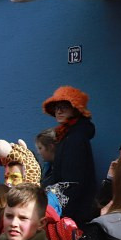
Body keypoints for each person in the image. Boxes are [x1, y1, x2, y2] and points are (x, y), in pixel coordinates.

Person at [42, 86, 98, 224]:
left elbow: (72, 183)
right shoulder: (67, 135)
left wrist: (62, 217)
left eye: (64, 107)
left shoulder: (75, 138)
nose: (58, 111)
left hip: (73, 214)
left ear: (76, 109)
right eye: (56, 107)